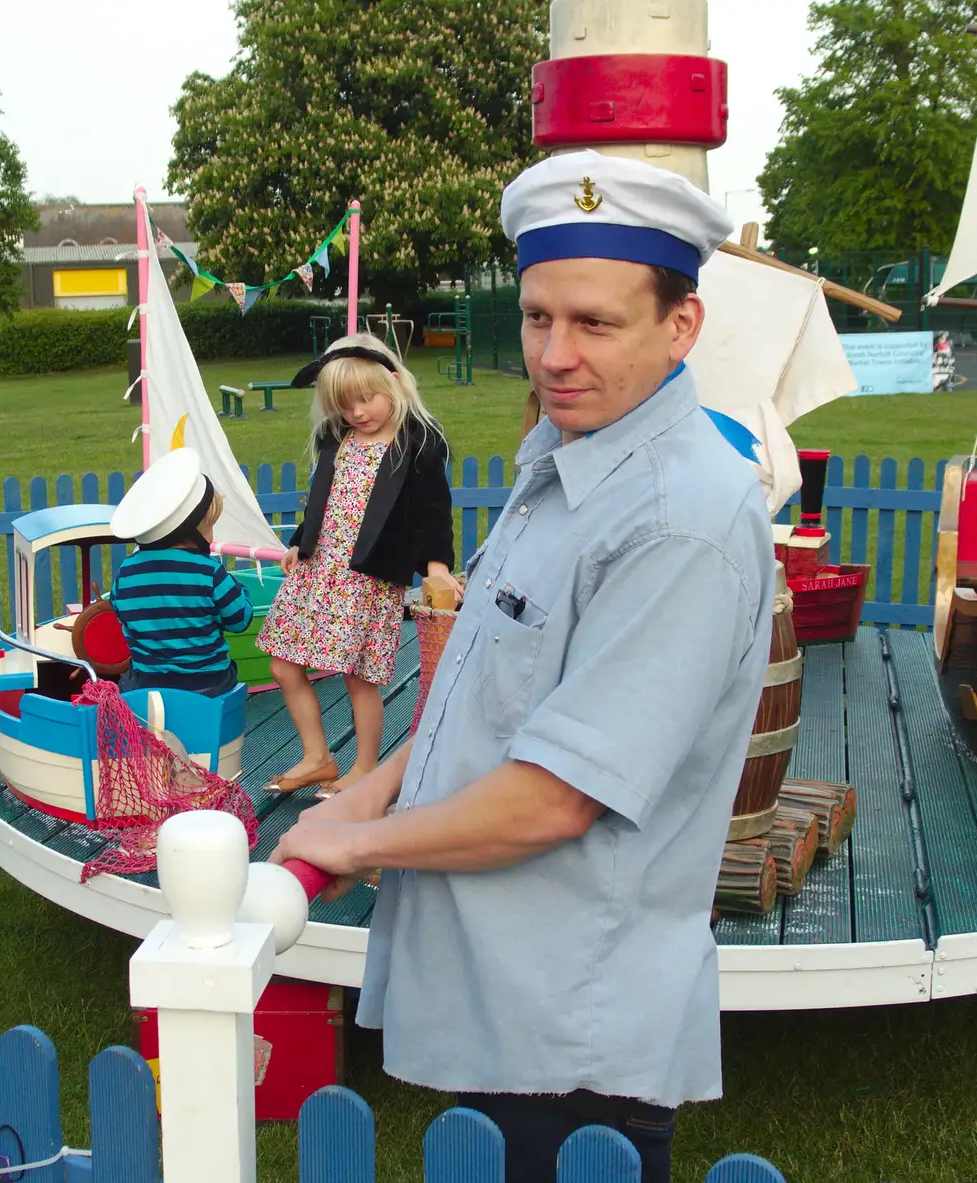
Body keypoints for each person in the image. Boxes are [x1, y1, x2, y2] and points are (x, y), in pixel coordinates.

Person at [271, 149, 776, 1183]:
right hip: (509, 997)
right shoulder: (564, 463)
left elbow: (553, 800)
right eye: (539, 317)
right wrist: (360, 792)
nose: (554, 353)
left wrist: (360, 844)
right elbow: (479, 707)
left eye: (594, 323)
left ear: (681, 326)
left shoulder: (680, 517)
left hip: (571, 1030)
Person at [258, 333, 459, 797]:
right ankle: (318, 757)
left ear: (394, 383)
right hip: (318, 571)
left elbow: (432, 511)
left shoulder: (419, 443)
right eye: (347, 406)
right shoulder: (336, 437)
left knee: (359, 675)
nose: (358, 413)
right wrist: (299, 543)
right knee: (284, 666)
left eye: (367, 399)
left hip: (367, 578)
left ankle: (364, 767)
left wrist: (435, 566)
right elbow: (322, 499)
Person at [108, 446, 252, 697]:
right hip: (208, 686)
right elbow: (241, 619)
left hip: (147, 687)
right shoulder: (208, 572)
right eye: (210, 527)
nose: (213, 535)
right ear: (191, 532)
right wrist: (239, 590)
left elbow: (120, 612)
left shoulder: (127, 572)